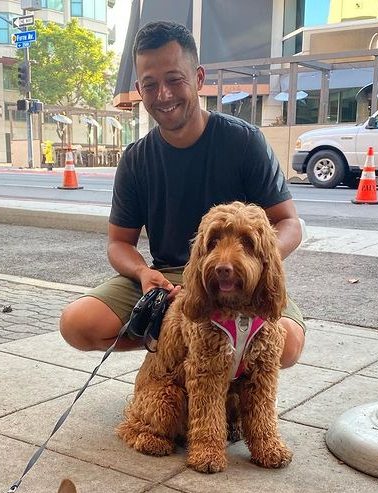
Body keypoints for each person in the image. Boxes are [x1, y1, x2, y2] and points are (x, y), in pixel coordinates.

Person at [60, 21, 305, 368]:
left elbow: (288, 222)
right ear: (138, 89)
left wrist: (250, 264)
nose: (163, 95)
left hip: (234, 274)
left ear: (199, 78)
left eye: (175, 80)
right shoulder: (135, 159)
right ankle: (174, 351)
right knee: (77, 323)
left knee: (289, 345)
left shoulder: (244, 142)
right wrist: (144, 274)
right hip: (167, 279)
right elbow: (119, 243)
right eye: (151, 84)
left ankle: (211, 361)